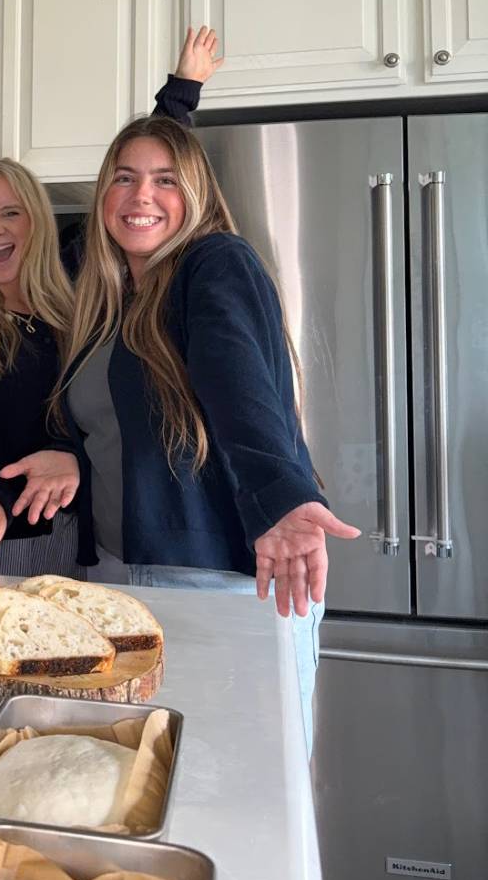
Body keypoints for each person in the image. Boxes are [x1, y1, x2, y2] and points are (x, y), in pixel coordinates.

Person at [55, 112, 360, 751]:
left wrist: (278, 493)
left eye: (166, 180)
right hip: (117, 578)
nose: (142, 196)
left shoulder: (214, 262)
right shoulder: (111, 302)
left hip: (216, 578)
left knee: (237, 787)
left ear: (196, 194)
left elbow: (236, 378)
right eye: (125, 178)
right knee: (141, 782)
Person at [0, 28, 219, 570]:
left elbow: (139, 197)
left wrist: (182, 90)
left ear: (36, 221)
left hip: (82, 536)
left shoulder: (80, 290)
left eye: (10, 212)